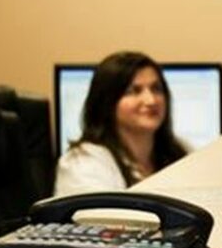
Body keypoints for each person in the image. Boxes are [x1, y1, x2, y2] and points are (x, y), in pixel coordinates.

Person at [55, 51, 188, 195]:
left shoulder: (180, 153)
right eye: (134, 91)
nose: (151, 100)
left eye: (156, 89)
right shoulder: (83, 163)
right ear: (107, 102)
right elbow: (101, 216)